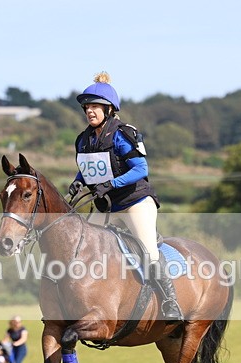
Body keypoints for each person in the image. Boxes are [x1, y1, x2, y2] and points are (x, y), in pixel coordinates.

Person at [69, 72, 183, 321]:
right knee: (85, 247)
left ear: (109, 109)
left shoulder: (122, 134)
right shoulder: (84, 140)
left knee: (148, 251)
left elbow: (141, 169)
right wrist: (77, 183)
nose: (89, 111)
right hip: (108, 206)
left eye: (95, 106)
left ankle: (170, 302)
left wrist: (110, 183)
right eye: (87, 107)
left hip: (135, 203)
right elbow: (88, 166)